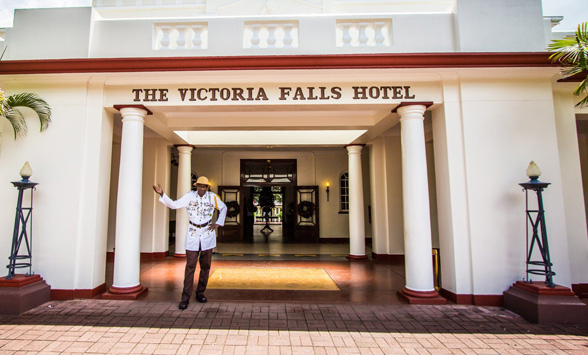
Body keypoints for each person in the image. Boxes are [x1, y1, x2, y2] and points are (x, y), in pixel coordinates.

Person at [153, 176, 227, 310]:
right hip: (193, 232)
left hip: (207, 233)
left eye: (204, 186)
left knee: (205, 266)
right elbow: (174, 205)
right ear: (196, 186)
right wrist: (162, 194)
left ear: (207, 187)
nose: (202, 189)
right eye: (200, 186)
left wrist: (218, 223)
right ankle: (185, 297)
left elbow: (224, 208)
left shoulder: (213, 197)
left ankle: (200, 292)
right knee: (190, 266)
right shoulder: (189, 196)